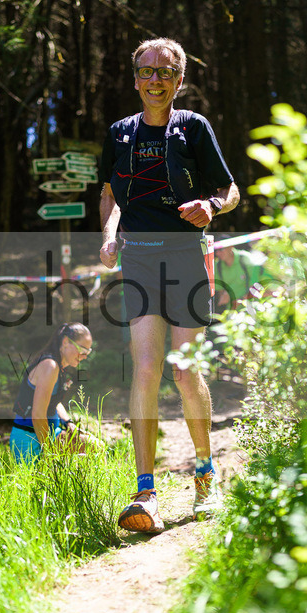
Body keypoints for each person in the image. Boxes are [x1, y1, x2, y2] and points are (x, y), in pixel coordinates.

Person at [98, 38, 240, 533]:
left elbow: (230, 189)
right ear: (134, 77)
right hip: (138, 260)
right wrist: (110, 233)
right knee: (144, 368)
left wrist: (213, 207)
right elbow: (111, 193)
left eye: (165, 72)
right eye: (146, 71)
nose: (154, 79)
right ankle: (145, 493)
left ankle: (206, 478)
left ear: (179, 80)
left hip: (186, 257)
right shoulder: (119, 133)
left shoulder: (194, 128)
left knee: (183, 371)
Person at [10, 323, 93, 463]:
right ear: (66, 342)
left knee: (94, 447)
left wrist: (68, 422)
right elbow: (37, 415)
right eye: (82, 349)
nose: (84, 356)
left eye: (88, 351)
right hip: (30, 438)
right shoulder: (50, 366)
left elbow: (53, 401)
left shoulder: (57, 366)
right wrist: (49, 453)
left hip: (50, 433)